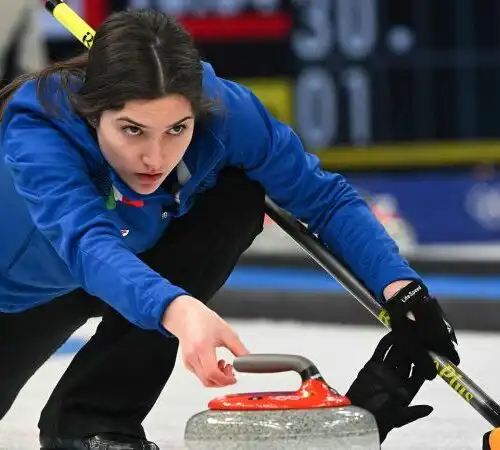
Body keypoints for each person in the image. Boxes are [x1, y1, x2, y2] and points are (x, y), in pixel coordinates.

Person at [0, 8, 459, 450]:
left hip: (126, 271)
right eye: (132, 130)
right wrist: (179, 309)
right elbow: (84, 242)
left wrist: (400, 288)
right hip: (18, 295)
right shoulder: (40, 128)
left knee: (238, 195)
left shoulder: (226, 111)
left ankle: (91, 424)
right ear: (93, 111)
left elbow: (323, 198)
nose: (156, 158)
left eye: (176, 129)